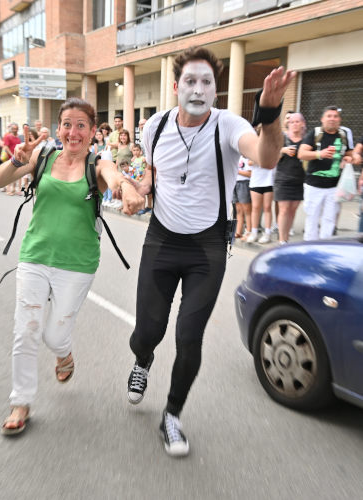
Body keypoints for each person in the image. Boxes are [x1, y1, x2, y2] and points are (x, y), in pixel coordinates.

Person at [120, 46, 294, 457]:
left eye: (207, 83)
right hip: (161, 241)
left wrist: (269, 111)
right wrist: (141, 188)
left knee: (188, 337)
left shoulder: (229, 125)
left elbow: (268, 156)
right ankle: (142, 361)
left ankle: (172, 415)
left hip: (207, 249)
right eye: (191, 82)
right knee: (147, 332)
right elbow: (154, 174)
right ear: (176, 86)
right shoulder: (155, 127)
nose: (198, 90)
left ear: (216, 91)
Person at [0, 97, 142, 436]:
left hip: (78, 263)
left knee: (55, 334)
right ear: (58, 129)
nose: (73, 132)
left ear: (92, 132)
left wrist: (127, 191)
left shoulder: (96, 163)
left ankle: (64, 353)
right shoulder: (41, 157)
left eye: (81, 125)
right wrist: (17, 158)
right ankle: (21, 401)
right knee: (25, 329)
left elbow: (114, 177)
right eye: (67, 125)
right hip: (35, 256)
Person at [298, 106, 353, 240]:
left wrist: (349, 158)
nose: (332, 119)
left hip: (334, 187)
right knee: (312, 219)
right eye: (329, 116)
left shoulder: (343, 135)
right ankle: (310, 248)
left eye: (335, 116)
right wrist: (319, 154)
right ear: (322, 119)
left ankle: (325, 247)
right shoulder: (315, 133)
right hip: (314, 186)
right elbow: (301, 153)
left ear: (339, 120)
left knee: (330, 220)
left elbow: (349, 153)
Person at [274, 112, 306, 244]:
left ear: (303, 124)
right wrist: (283, 150)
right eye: (292, 122)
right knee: (284, 209)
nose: (294, 124)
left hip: (300, 180)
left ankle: (287, 236)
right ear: (288, 124)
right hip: (283, 179)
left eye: (297, 121)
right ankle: (282, 240)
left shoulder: (307, 139)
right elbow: (272, 157)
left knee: (292, 210)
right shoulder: (282, 138)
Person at [246, 127, 276, 244]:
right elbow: (250, 162)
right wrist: (263, 159)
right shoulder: (253, 146)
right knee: (256, 207)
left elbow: (274, 160)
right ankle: (254, 232)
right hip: (256, 181)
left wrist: (261, 160)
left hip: (269, 181)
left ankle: (267, 233)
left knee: (268, 207)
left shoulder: (273, 145)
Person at [233, 155, 252, 240]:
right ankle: (238, 231)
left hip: (244, 183)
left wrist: (236, 171)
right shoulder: (237, 156)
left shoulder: (247, 157)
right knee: (238, 210)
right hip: (235, 182)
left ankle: (249, 231)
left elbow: (250, 173)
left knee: (247, 209)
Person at [3, 123, 21, 195]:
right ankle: (8, 189)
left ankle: (13, 189)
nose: (15, 130)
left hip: (17, 158)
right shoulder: (8, 137)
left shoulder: (18, 137)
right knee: (9, 174)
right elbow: (6, 147)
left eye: (16, 128)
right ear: (11, 129)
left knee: (15, 174)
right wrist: (11, 155)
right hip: (10, 158)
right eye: (13, 128)